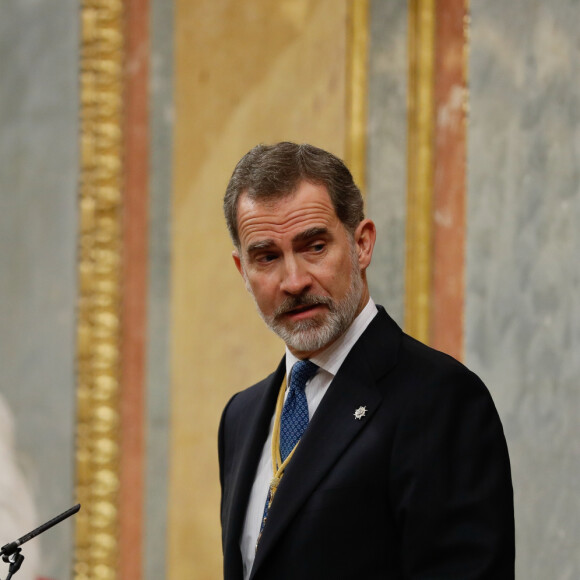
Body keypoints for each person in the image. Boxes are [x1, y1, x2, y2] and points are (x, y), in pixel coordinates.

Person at [218, 142, 514, 580]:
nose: (294, 280)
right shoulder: (239, 417)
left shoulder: (441, 400)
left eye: (315, 246)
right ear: (243, 271)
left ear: (362, 244)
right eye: (267, 257)